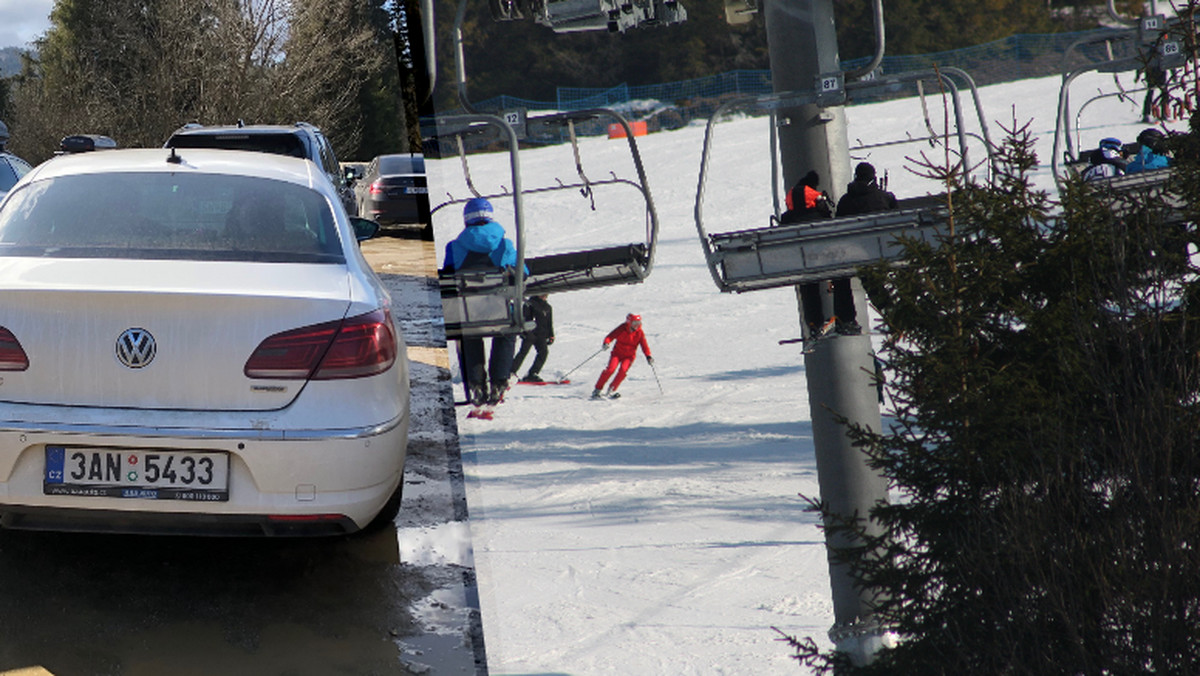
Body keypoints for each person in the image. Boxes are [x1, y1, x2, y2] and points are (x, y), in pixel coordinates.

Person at [442, 197, 520, 407]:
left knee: (469, 334)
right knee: (507, 331)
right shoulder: (504, 245)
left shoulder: (455, 247)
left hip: (469, 313)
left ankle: (476, 383)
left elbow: (448, 279)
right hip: (499, 311)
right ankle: (499, 380)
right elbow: (522, 274)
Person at [591, 313, 653, 399]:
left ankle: (612, 389)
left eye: (638, 323)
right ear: (629, 322)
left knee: (623, 371)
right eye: (634, 323)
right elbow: (610, 337)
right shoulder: (622, 328)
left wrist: (648, 356)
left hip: (629, 357)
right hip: (617, 354)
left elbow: (644, 346)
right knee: (610, 369)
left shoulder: (640, 333)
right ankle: (597, 389)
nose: (636, 326)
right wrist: (606, 343)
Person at [511, 294, 554, 382]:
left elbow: (549, 323)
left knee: (543, 353)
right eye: (542, 294)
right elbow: (524, 319)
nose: (544, 296)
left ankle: (533, 373)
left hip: (541, 335)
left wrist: (551, 334)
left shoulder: (547, 307)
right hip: (530, 334)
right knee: (523, 353)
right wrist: (524, 331)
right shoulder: (529, 304)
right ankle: (511, 372)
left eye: (546, 294)